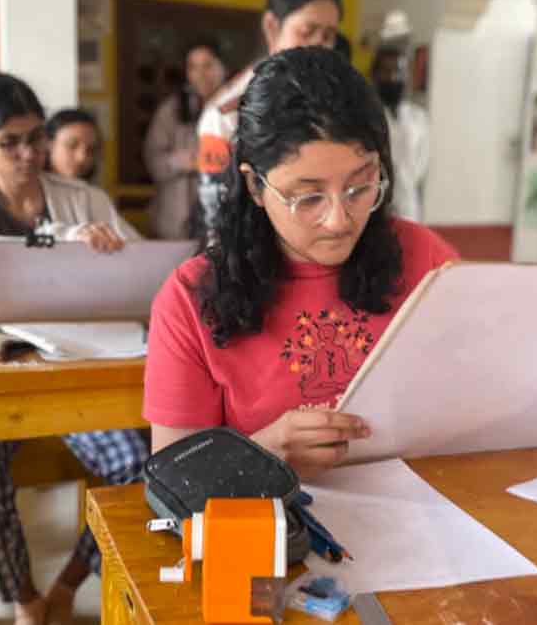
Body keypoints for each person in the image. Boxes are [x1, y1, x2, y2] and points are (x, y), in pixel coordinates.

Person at [144, 47, 458, 479]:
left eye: (361, 186)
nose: (339, 219)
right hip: (274, 532)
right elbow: (172, 479)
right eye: (308, 196)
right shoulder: (192, 298)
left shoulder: (426, 260)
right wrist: (262, 454)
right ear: (255, 185)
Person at [0, 72, 149, 625]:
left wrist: (109, 259)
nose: (28, 154)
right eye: (9, 142)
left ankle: (70, 582)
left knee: (138, 466)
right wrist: (55, 244)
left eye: (36, 138)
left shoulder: (84, 198)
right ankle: (25, 597)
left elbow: (142, 268)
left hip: (70, 364)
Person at [196, 0, 343, 241]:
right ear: (272, 27)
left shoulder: (337, 104)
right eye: (307, 31)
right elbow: (218, 221)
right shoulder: (225, 116)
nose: (318, 46)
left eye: (328, 35)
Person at [144, 38, 226, 239]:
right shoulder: (171, 110)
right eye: (193, 67)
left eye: (208, 65)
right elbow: (153, 164)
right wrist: (182, 161)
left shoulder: (237, 109)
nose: (201, 74)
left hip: (225, 220)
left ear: (223, 67)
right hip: (175, 224)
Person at [371, 44, 429, 222]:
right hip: (375, 200)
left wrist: (405, 178)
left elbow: (422, 160)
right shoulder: (367, 113)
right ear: (375, 74)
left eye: (399, 70)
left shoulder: (418, 116)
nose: (393, 77)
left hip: (408, 200)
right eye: (386, 70)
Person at [45, 107, 102, 183]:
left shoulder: (94, 193)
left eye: (90, 149)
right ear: (48, 144)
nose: (82, 158)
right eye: (72, 145)